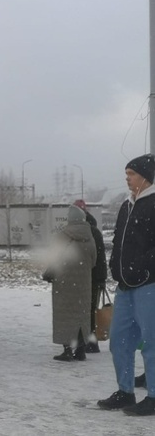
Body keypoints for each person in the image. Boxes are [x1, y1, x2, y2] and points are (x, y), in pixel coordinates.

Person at [98, 154, 155, 415]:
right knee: (119, 340)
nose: (127, 178)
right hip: (124, 286)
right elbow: (119, 240)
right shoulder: (126, 205)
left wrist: (145, 267)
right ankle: (126, 391)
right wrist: (114, 266)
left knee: (152, 341)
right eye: (127, 173)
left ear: (146, 176)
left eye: (131, 173)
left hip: (149, 285)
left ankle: (154, 396)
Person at [44, 205, 96, 362]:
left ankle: (67, 350)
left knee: (65, 316)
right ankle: (80, 351)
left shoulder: (62, 235)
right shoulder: (90, 236)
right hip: (84, 283)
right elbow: (93, 261)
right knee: (81, 315)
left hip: (64, 283)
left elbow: (53, 258)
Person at [73, 199, 108, 353]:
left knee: (87, 311)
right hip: (92, 277)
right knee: (90, 310)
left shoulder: (89, 231)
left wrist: (100, 279)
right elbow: (101, 258)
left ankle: (89, 342)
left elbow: (99, 258)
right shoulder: (94, 230)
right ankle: (89, 342)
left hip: (89, 277)